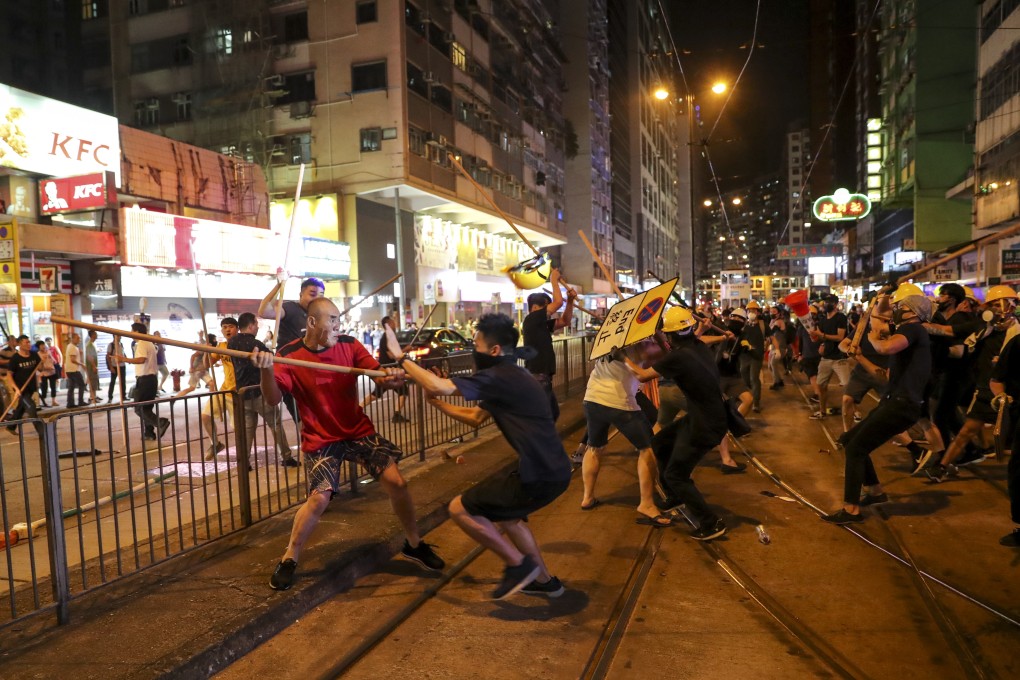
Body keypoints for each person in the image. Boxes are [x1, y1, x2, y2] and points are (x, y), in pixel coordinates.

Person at [250, 298, 444, 590]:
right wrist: (266, 369)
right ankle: (290, 556)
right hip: (321, 438)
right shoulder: (288, 355)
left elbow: (377, 377)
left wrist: (390, 378)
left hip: (356, 430)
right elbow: (273, 399)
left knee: (398, 483)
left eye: (339, 320)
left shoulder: (350, 345)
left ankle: (414, 543)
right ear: (313, 323)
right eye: (333, 320)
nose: (338, 326)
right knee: (319, 498)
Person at [399, 313, 570, 599]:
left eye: (475, 345)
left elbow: (438, 385)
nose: (472, 350)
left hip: (540, 474)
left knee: (458, 508)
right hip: (550, 468)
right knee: (510, 519)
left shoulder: (500, 376)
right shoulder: (515, 374)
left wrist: (401, 358)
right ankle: (544, 582)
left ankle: (518, 566)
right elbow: (476, 417)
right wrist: (437, 403)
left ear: (494, 351)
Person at [822, 285, 931, 524]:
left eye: (899, 307)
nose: (896, 312)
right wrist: (859, 356)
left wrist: (872, 331)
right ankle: (875, 491)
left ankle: (851, 509)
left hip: (903, 405)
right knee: (850, 439)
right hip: (894, 401)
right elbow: (887, 376)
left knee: (855, 449)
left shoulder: (913, 329)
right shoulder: (909, 335)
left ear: (911, 311)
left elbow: (885, 346)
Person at [627, 307, 731, 541]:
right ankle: (675, 496)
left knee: (676, 474)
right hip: (706, 416)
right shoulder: (697, 346)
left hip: (705, 424)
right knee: (660, 441)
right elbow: (678, 346)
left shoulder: (679, 356)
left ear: (672, 336)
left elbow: (643, 375)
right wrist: (658, 335)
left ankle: (710, 522)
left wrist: (621, 357)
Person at [924, 286, 1018, 482]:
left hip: (1010, 391)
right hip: (987, 388)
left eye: (1005, 304)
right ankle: (943, 466)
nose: (1000, 309)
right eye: (993, 305)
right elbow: (952, 336)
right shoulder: (982, 327)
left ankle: (972, 452)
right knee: (966, 430)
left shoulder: (1014, 332)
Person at [577, 344, 665, 525]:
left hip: (592, 398)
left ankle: (587, 497)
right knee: (648, 447)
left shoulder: (608, 340)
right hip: (620, 402)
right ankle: (647, 503)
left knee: (594, 446)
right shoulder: (641, 346)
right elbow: (658, 358)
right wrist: (658, 337)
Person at [228, 313, 296, 468]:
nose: (257, 328)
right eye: (256, 325)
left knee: (247, 430)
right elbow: (271, 360)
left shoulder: (231, 343)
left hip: (242, 393)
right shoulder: (256, 344)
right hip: (260, 392)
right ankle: (286, 457)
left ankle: (244, 462)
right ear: (251, 325)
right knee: (276, 425)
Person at [521, 268, 576, 421]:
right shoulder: (532, 319)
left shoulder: (541, 323)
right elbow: (558, 302)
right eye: (545, 306)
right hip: (537, 376)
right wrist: (554, 279)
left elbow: (565, 321)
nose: (548, 310)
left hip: (542, 376)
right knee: (543, 417)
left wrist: (570, 301)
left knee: (552, 413)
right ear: (535, 308)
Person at [113, 323, 170, 441]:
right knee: (146, 408)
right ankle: (148, 433)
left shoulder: (142, 344)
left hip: (145, 380)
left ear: (137, 331)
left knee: (139, 408)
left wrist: (123, 359)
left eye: (132, 331)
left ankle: (160, 422)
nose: (130, 333)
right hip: (151, 379)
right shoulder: (149, 343)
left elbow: (141, 359)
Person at [360, 315, 411, 423]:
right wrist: (406, 349)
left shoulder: (389, 336)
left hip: (388, 369)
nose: (395, 323)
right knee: (401, 391)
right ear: (388, 324)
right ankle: (357, 409)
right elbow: (392, 355)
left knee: (379, 393)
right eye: (393, 321)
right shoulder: (387, 337)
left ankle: (358, 409)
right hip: (387, 370)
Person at [810, 294, 851, 421]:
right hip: (826, 358)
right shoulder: (823, 320)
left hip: (839, 358)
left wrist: (821, 335)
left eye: (828, 302)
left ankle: (854, 412)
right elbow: (821, 337)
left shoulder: (841, 317)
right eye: (824, 301)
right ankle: (822, 411)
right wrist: (816, 338)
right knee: (821, 386)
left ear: (834, 304)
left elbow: (840, 337)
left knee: (848, 387)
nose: (825, 304)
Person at [202, 318, 239, 460]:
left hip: (237, 393)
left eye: (230, 326)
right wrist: (206, 350)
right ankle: (215, 443)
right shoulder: (221, 347)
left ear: (237, 328)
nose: (228, 330)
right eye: (224, 327)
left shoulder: (243, 344)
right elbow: (207, 364)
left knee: (238, 429)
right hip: (224, 390)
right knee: (205, 416)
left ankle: (243, 457)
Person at [257, 276, 326, 350]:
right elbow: (265, 312)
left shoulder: (322, 315)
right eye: (312, 295)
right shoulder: (291, 308)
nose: (317, 299)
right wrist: (279, 285)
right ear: (301, 295)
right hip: (289, 359)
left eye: (321, 295)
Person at [4, 336, 44, 436]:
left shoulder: (34, 355)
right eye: (26, 342)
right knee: (31, 407)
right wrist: (16, 389)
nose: (29, 344)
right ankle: (42, 432)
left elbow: (40, 369)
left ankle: (11, 426)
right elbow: (9, 375)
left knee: (21, 407)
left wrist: (42, 361)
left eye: (29, 342)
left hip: (30, 387)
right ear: (20, 344)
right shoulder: (15, 358)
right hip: (20, 389)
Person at [738, 302, 766, 412]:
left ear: (758, 312)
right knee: (744, 376)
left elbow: (771, 337)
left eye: (754, 310)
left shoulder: (763, 325)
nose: (751, 312)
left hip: (757, 356)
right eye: (749, 310)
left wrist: (776, 349)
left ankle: (756, 403)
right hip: (744, 356)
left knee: (754, 378)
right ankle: (751, 394)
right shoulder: (744, 325)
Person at [64, 333, 87, 408]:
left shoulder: (72, 346)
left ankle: (70, 403)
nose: (79, 340)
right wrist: (82, 364)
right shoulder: (72, 347)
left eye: (79, 338)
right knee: (82, 385)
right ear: (73, 338)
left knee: (71, 387)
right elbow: (73, 360)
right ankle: (80, 401)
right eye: (77, 338)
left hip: (70, 369)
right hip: (74, 370)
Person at [33, 340, 55, 407]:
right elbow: (38, 365)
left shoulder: (48, 351)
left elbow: (52, 360)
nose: (43, 346)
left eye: (43, 345)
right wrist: (46, 366)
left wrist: (53, 362)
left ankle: (53, 401)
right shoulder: (37, 354)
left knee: (53, 386)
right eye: (41, 345)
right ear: (38, 347)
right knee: (44, 387)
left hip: (51, 371)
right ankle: (44, 402)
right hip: (43, 373)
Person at [41, 337, 62, 406]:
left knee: (54, 384)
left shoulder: (52, 349)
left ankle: (54, 400)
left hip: (52, 369)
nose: (44, 348)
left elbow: (55, 359)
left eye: (44, 347)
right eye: (42, 347)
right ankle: (43, 401)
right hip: (44, 372)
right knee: (44, 387)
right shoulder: (38, 354)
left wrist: (59, 363)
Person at [107, 336, 127, 402]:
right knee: (112, 382)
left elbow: (123, 353)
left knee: (123, 382)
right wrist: (111, 367)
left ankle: (123, 396)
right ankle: (110, 397)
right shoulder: (111, 345)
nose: (120, 337)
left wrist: (126, 359)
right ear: (114, 337)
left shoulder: (121, 344)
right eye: (118, 336)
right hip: (114, 366)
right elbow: (108, 356)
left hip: (122, 365)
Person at [84, 330, 102, 405]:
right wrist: (94, 366)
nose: (97, 335)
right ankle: (92, 398)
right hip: (91, 368)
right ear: (92, 335)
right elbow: (89, 357)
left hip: (93, 367)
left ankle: (94, 396)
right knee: (92, 382)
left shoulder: (92, 344)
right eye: (95, 334)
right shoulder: (89, 345)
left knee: (94, 382)